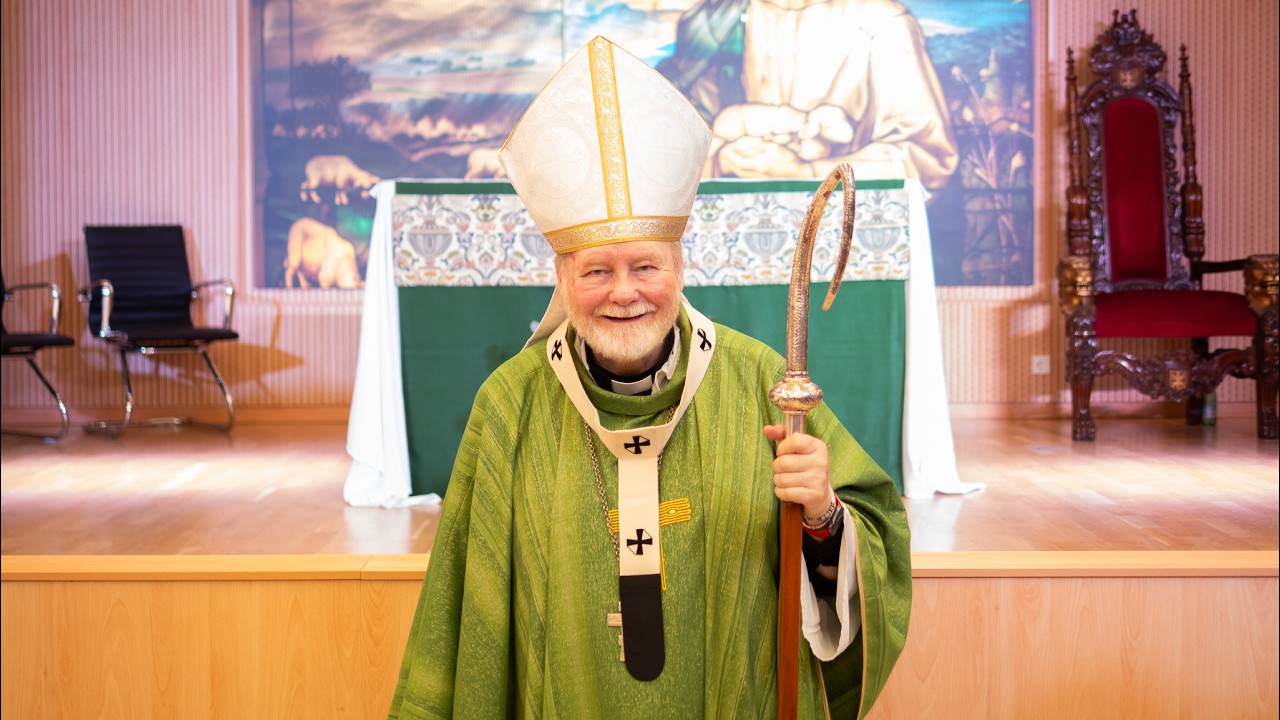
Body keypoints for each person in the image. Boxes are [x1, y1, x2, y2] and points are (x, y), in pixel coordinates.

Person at [387, 36, 910, 720]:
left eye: (646, 267)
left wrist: (822, 516)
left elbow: (867, 547)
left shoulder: (761, 382)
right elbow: (467, 617)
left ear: (680, 270)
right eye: (597, 271)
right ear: (562, 280)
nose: (624, 293)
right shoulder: (511, 406)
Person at [658, 0, 958, 189]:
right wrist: (723, 159)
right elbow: (678, 138)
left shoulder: (882, 22)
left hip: (844, 232)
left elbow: (927, 157)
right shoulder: (716, 22)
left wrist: (804, 172)